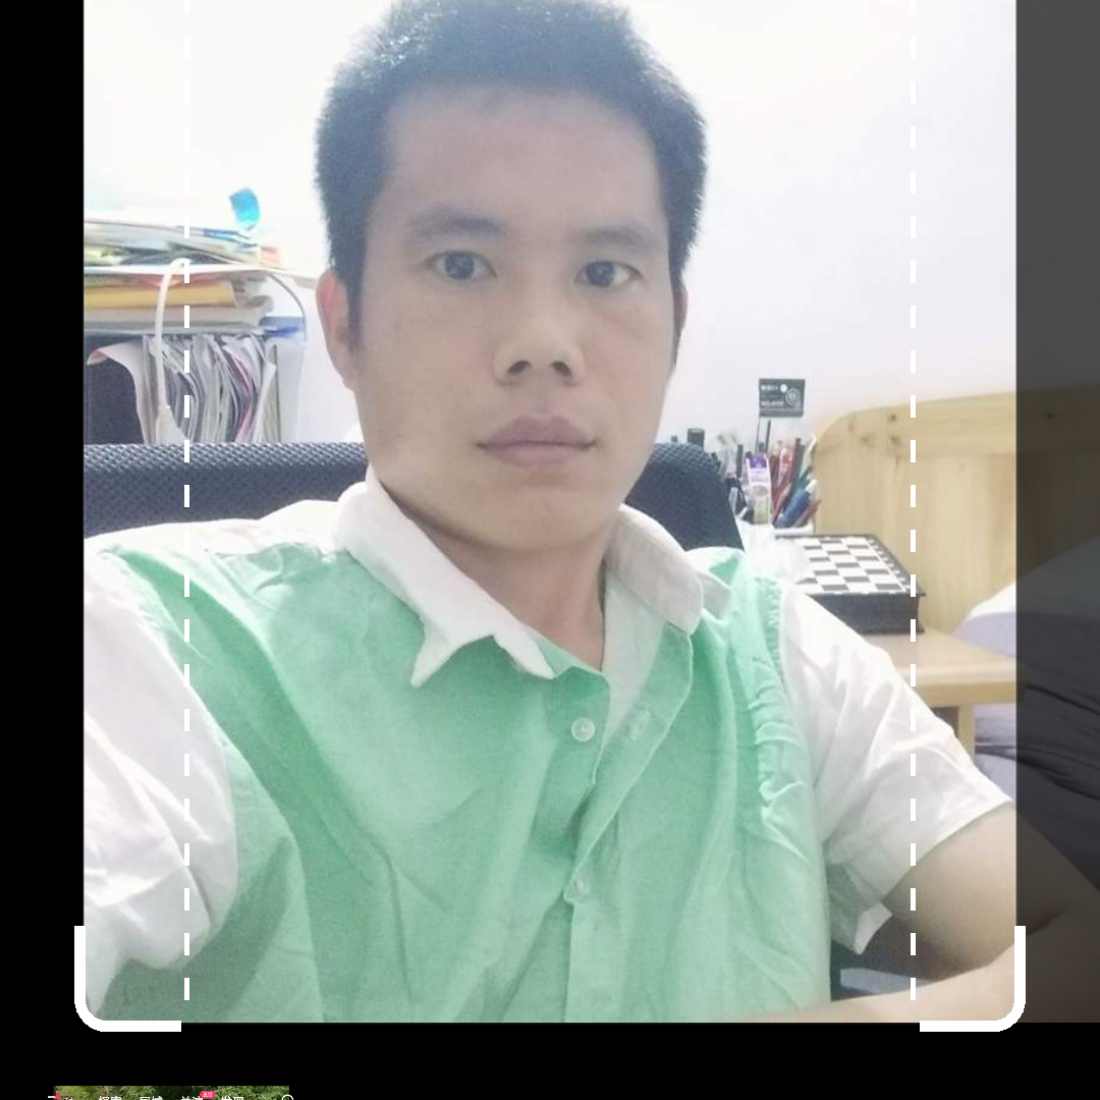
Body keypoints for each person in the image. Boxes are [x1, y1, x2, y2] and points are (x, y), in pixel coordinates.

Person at [84, 0, 1097, 1023]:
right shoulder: (150, 645)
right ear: (345, 326)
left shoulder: (772, 652)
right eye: (461, 263)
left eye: (605, 272)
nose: (543, 341)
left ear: (673, 323)